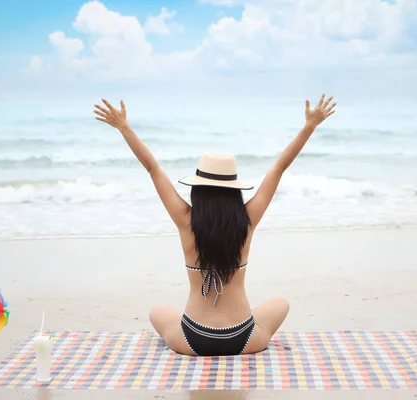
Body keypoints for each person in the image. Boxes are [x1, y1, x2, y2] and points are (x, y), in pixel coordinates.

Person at [93, 94, 337, 356]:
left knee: (157, 312)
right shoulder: (247, 220)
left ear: (197, 189)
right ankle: (237, 316)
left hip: (192, 339)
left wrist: (124, 128)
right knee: (281, 304)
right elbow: (278, 168)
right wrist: (310, 126)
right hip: (243, 338)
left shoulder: (186, 221)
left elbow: (152, 168)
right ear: (234, 190)